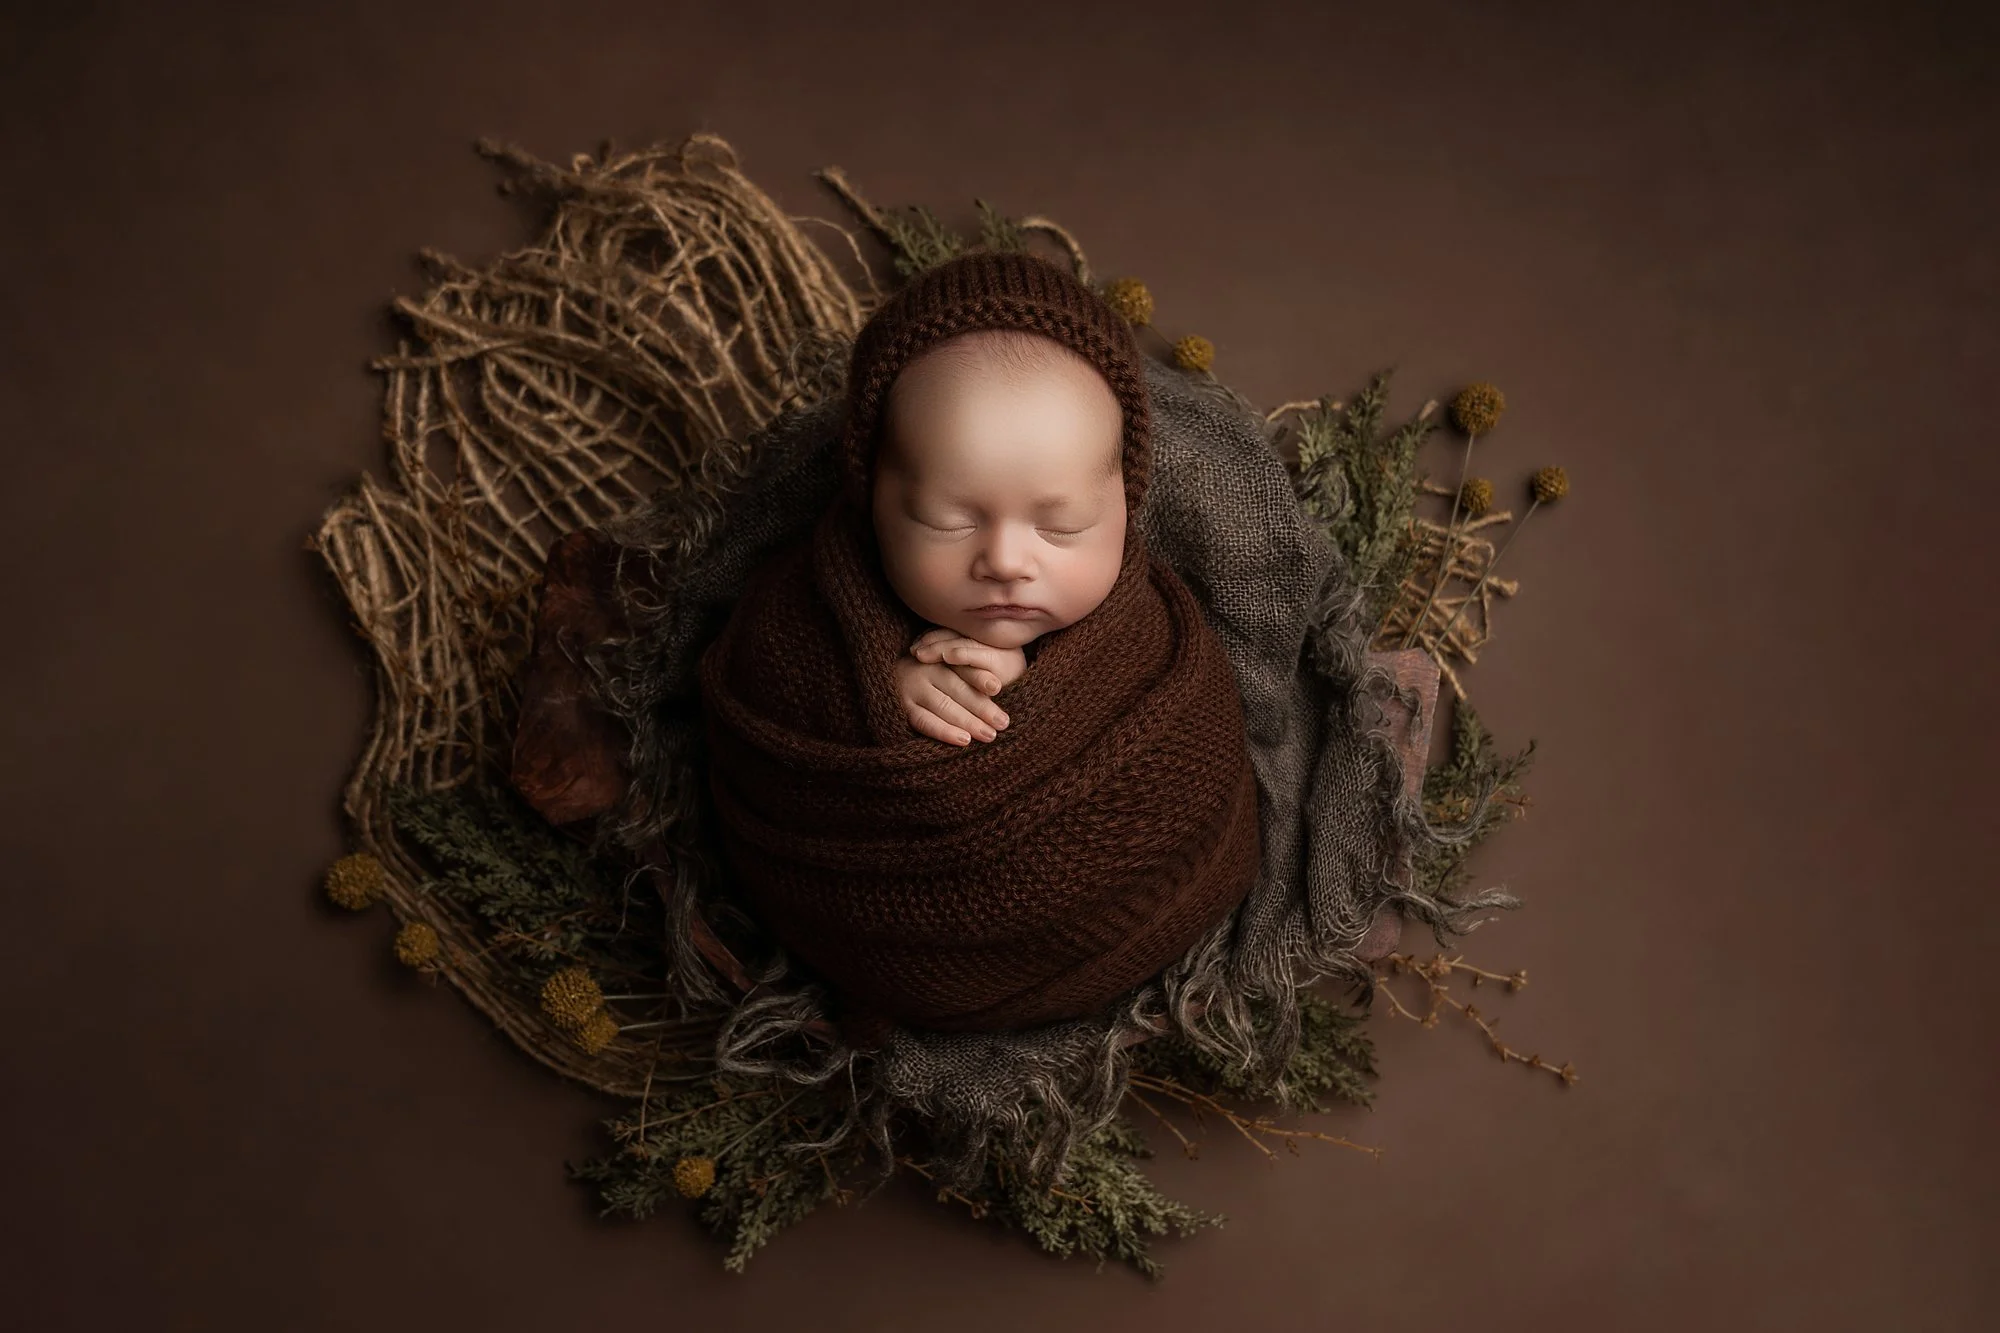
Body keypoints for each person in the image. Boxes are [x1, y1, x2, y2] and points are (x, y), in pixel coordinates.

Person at [876, 326, 1128, 747]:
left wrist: (1022, 691)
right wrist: (879, 692)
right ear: (873, 504)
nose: (1005, 562)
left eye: (1060, 527)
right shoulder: (806, 608)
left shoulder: (1159, 650)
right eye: (948, 522)